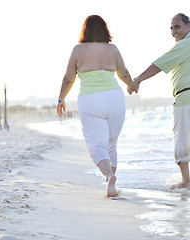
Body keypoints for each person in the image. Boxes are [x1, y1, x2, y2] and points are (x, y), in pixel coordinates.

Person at [129, 13, 190, 193]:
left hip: (186, 99)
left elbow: (160, 64)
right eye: (171, 28)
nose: (174, 32)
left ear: (188, 26)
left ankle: (186, 182)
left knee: (181, 144)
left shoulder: (185, 44)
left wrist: (138, 79)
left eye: (177, 27)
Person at [57, 15, 137, 198]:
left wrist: (61, 98)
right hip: (115, 97)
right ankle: (112, 184)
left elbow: (69, 78)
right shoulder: (112, 49)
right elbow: (123, 73)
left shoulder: (78, 50)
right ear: (104, 30)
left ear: (84, 30)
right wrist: (131, 85)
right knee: (111, 144)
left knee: (95, 144)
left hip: (90, 99)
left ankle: (109, 177)